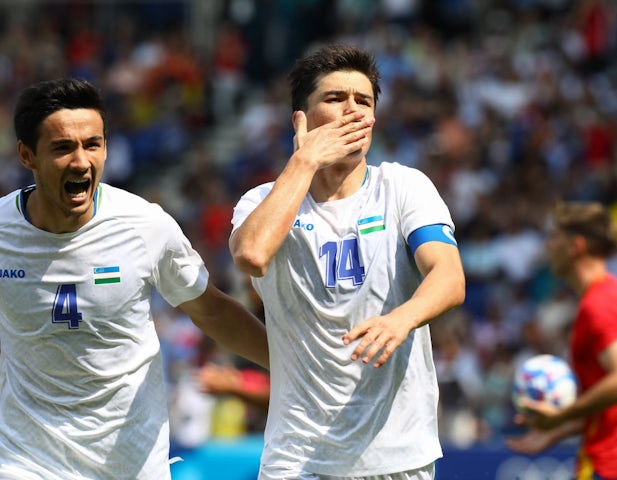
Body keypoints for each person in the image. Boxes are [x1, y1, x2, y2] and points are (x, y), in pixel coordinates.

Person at [0, 77, 269, 480]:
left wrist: (292, 366)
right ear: (26, 155)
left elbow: (211, 311)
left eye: (93, 144)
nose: (80, 161)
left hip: (130, 463)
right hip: (27, 461)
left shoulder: (145, 225)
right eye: (62, 147)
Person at [230, 44, 466, 480]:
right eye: (335, 99)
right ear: (300, 118)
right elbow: (253, 254)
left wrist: (402, 319)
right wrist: (304, 161)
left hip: (396, 454)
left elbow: (449, 277)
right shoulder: (261, 201)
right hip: (297, 458)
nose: (352, 111)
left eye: (364, 101)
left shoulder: (403, 188)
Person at [506, 201, 617, 480]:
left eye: (554, 237)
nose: (548, 246)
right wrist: (558, 430)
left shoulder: (599, 305)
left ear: (575, 246)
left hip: (613, 463)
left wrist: (562, 414)